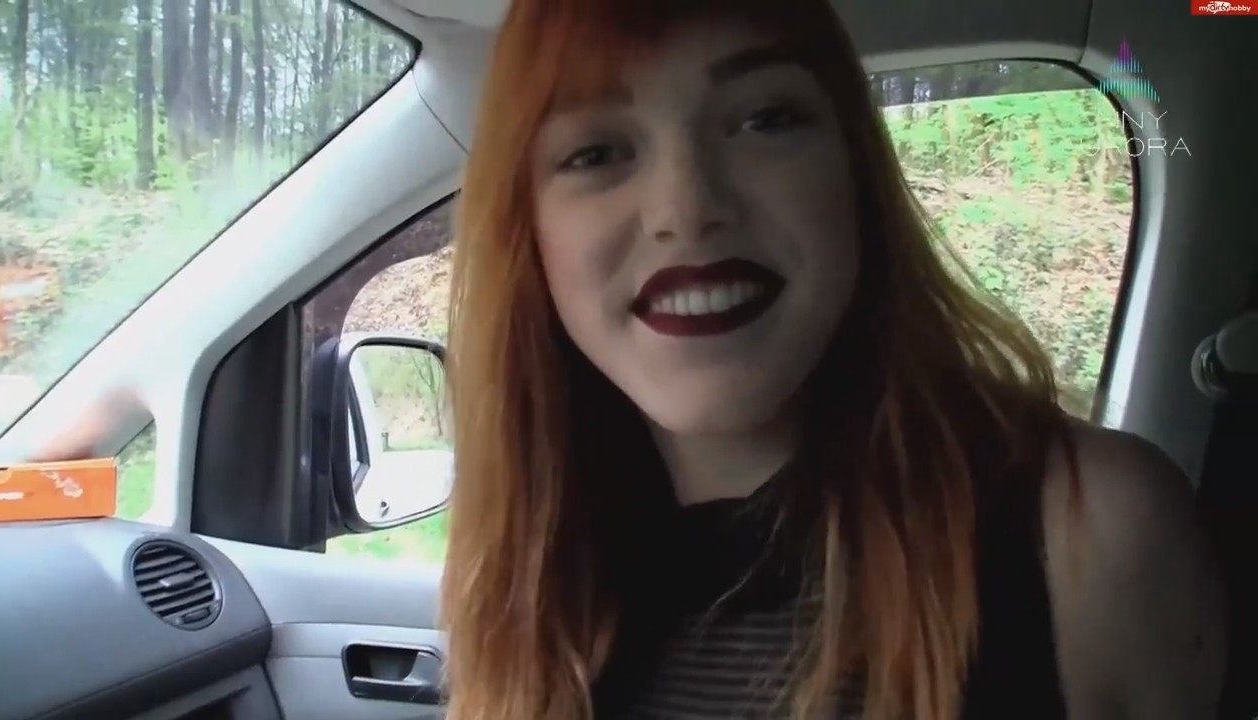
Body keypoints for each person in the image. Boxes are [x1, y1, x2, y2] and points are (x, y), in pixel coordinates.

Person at [439, 0, 1226, 718]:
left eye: (765, 119)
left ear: (856, 173)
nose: (687, 207)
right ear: (527, 233)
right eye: (597, 152)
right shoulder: (521, 580)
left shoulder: (1090, 536)